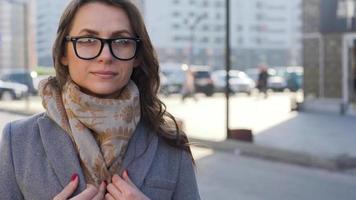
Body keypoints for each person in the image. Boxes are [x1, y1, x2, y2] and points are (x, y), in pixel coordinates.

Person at [0, 1, 200, 199]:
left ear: (137, 55)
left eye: (121, 41)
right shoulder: (18, 139)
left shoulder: (170, 142)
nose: (105, 56)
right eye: (87, 40)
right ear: (63, 53)